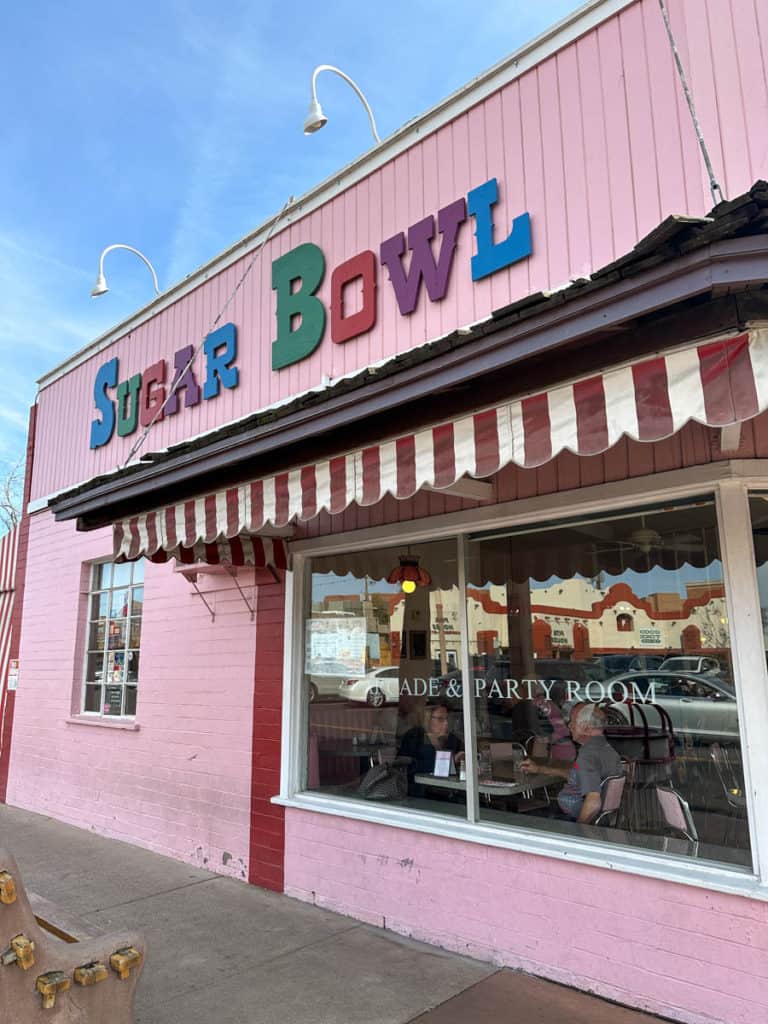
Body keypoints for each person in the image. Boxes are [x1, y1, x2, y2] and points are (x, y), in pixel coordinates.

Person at [520, 702, 623, 824]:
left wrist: (578, 833)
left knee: (518, 817)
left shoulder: (588, 756)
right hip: (598, 819)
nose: (569, 726)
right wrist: (540, 769)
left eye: (573, 721)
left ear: (585, 726)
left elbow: (593, 803)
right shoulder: (605, 748)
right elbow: (578, 775)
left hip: (571, 819)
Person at [398, 701, 463, 795]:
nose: (446, 723)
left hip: (448, 791)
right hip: (419, 791)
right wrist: (450, 761)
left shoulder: (451, 739)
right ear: (428, 719)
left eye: (447, 719)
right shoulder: (415, 736)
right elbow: (407, 766)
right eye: (440, 719)